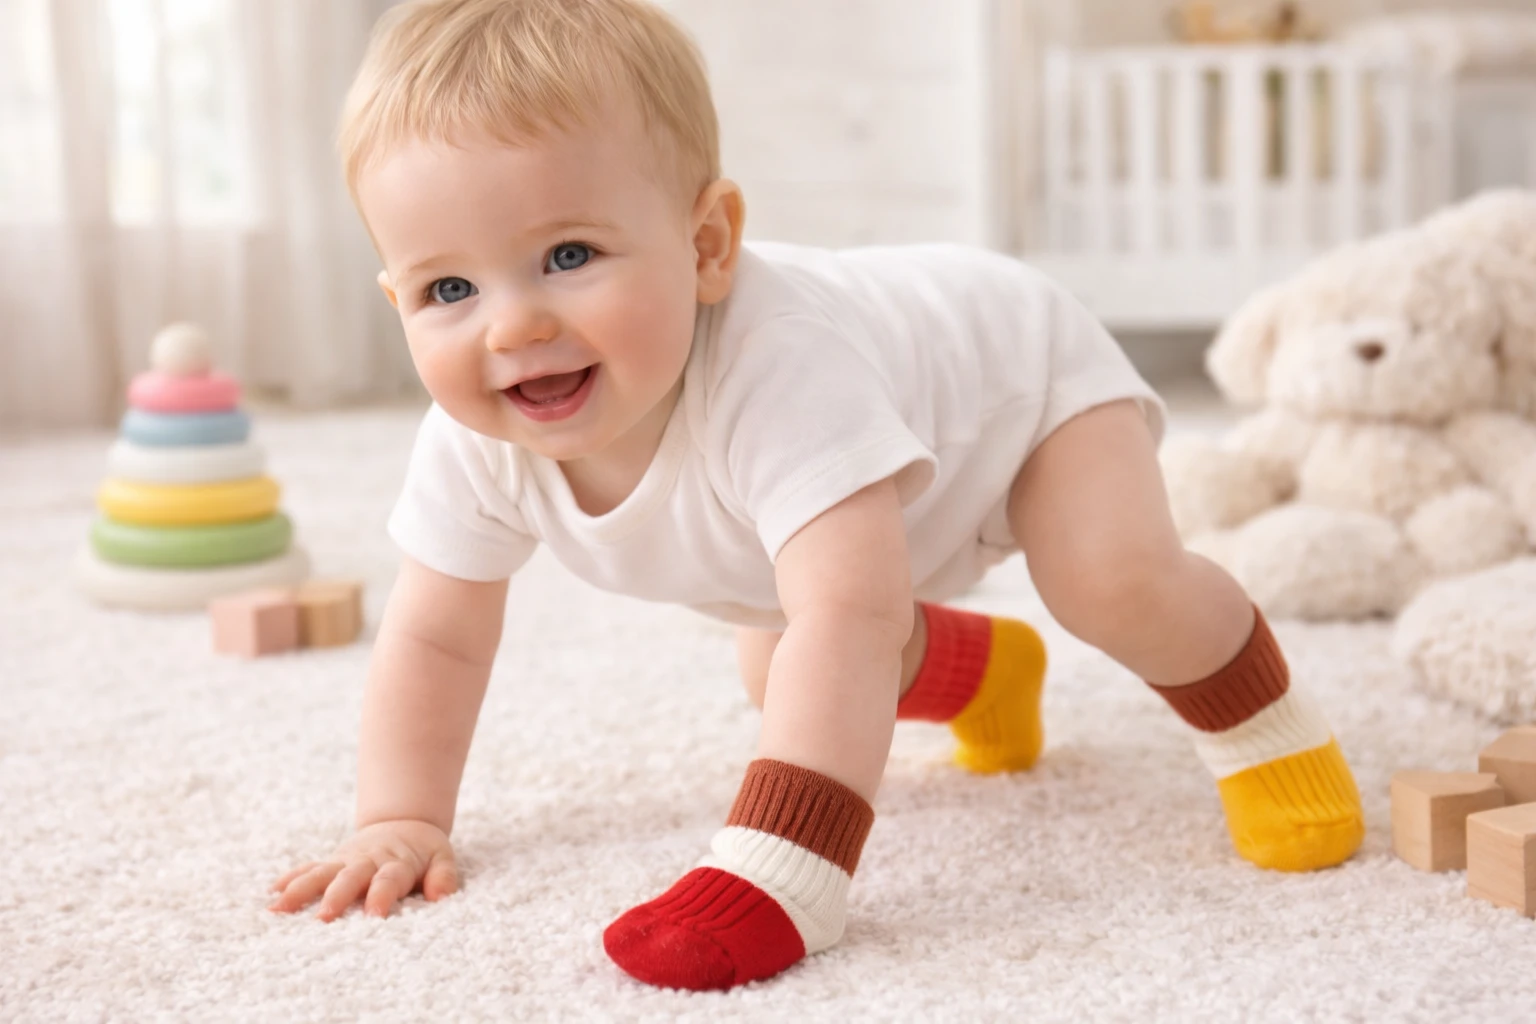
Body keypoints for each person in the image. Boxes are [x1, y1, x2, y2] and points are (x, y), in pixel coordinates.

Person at [267, 0, 1365, 992]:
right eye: (449, 288)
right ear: (398, 299)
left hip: (1017, 394)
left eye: (568, 255)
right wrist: (399, 816)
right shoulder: (475, 439)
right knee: (776, 662)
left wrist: (783, 863)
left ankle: (1272, 731)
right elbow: (438, 637)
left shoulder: (781, 364)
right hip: (868, 496)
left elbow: (851, 613)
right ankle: (990, 675)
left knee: (1105, 581)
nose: (512, 326)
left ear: (707, 245)